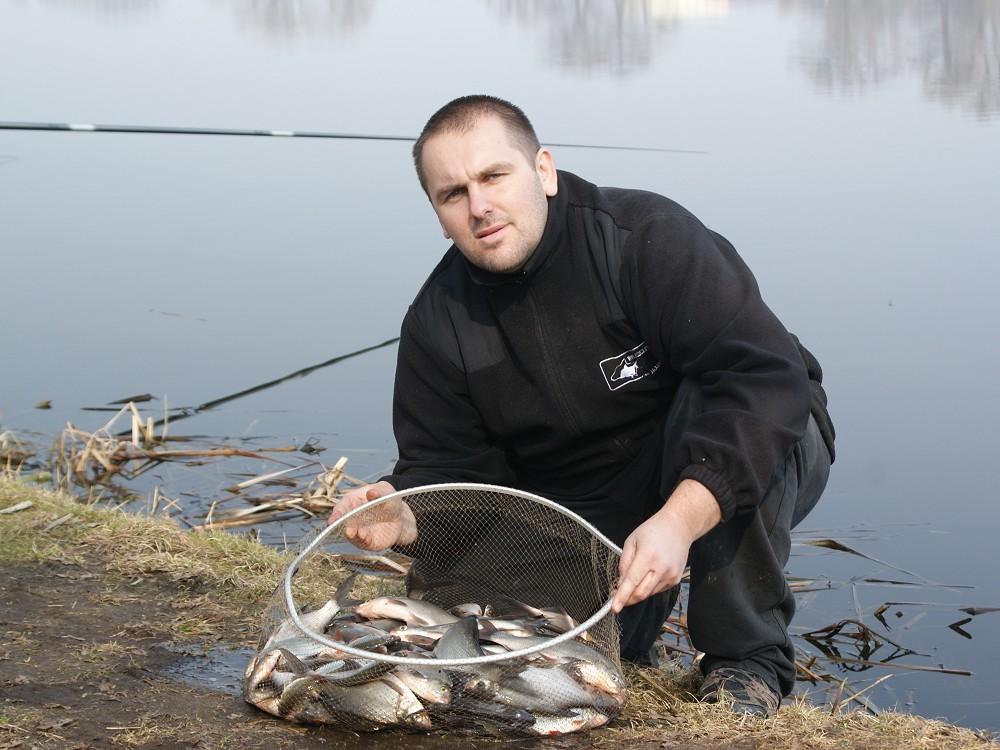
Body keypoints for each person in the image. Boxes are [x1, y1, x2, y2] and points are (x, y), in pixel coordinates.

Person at [328, 95, 835, 717]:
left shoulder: (644, 237)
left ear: (544, 170)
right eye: (452, 194)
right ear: (438, 215)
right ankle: (626, 638)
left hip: (744, 438)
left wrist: (679, 519)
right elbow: (452, 474)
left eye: (493, 176)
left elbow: (762, 378)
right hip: (593, 497)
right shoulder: (438, 322)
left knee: (720, 413)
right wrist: (404, 516)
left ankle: (744, 661)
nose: (479, 206)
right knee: (475, 626)